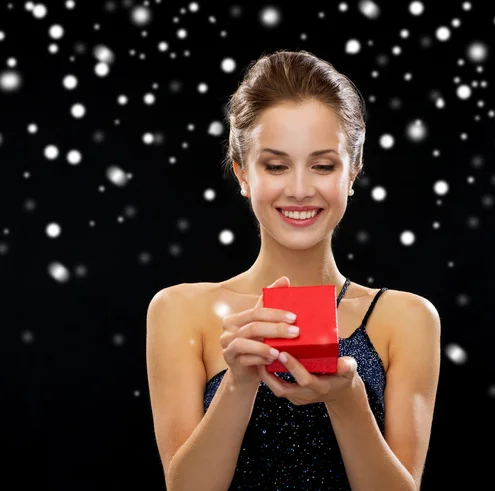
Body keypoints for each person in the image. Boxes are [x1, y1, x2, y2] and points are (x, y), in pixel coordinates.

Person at [146, 49, 441, 491]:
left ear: (353, 172)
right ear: (243, 174)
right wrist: (239, 382)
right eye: (276, 166)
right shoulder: (180, 310)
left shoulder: (406, 318)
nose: (300, 190)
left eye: (323, 166)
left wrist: (348, 401)